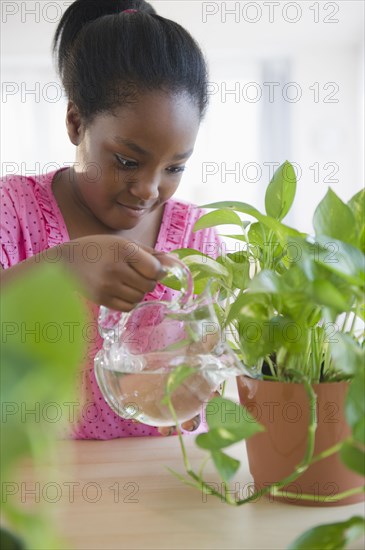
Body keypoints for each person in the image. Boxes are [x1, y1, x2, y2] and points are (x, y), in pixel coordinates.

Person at [0, 0, 221, 439]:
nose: (148, 189)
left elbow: (209, 380)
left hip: (158, 484)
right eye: (126, 161)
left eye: (174, 167)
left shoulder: (198, 235)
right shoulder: (14, 209)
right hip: (34, 485)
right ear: (76, 122)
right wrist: (58, 267)